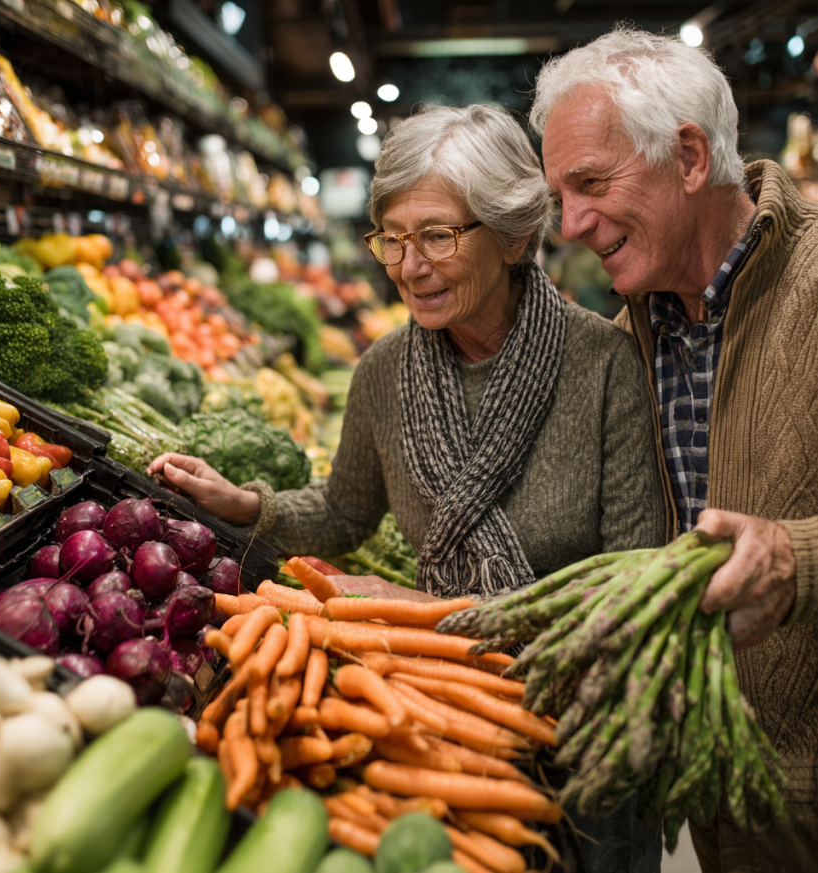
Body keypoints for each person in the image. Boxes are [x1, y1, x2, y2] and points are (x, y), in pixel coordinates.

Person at [150, 103, 666, 871]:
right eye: (391, 237)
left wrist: (447, 619)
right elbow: (344, 511)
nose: (407, 265)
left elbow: (635, 586)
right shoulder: (383, 371)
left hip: (587, 727)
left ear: (514, 235)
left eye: (436, 234)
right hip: (434, 725)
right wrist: (247, 504)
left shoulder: (604, 365)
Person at [532, 25, 818, 872]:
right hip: (720, 817)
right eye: (559, 197)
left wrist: (796, 558)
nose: (572, 224)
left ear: (689, 157)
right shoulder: (627, 340)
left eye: (590, 184)